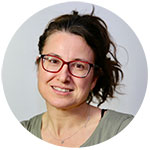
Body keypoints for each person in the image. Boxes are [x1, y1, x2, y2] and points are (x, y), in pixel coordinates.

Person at [21, 8, 133, 147]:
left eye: (78, 66)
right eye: (54, 61)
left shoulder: (124, 130)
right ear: (39, 66)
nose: (63, 77)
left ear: (94, 78)